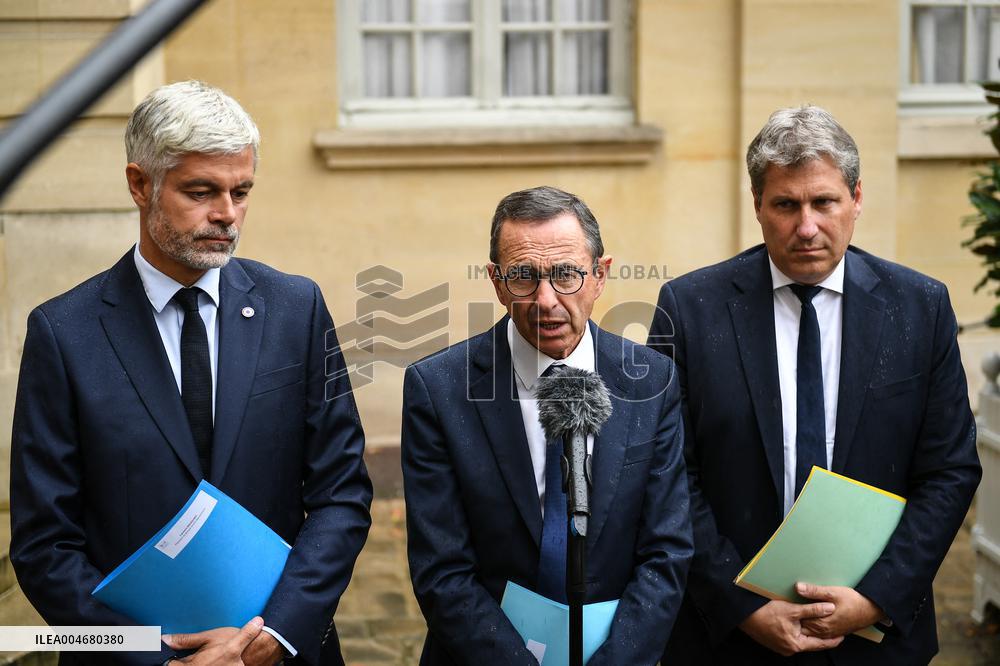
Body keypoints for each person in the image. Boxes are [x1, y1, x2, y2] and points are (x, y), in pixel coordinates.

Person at [9, 80, 372, 666]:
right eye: (201, 192)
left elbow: (342, 495)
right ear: (139, 184)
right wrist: (158, 654)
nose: (227, 214)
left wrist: (274, 638)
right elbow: (44, 544)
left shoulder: (296, 309)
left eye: (241, 191)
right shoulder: (63, 333)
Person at [647, 105, 982, 664]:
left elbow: (949, 470)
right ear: (757, 205)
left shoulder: (921, 308)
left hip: (876, 637)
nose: (807, 226)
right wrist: (741, 605)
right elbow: (669, 474)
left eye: (824, 202)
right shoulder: (689, 309)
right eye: (785, 204)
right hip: (728, 638)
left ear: (856, 198)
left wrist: (876, 597)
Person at [401, 185, 693, 664]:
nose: (546, 300)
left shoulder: (652, 380)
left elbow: (667, 552)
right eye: (523, 278)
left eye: (565, 276)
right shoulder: (439, 389)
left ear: (600, 275)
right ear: (496, 282)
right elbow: (443, 570)